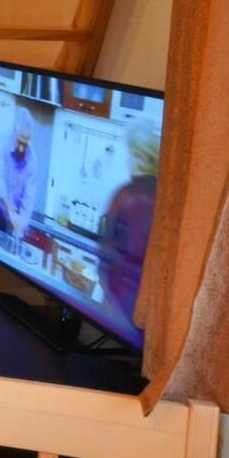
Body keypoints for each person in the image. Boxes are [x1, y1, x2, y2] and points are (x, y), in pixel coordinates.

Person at [97, 123, 160, 321]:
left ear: (138, 155)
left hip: (119, 299)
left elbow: (105, 249)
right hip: (148, 305)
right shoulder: (166, 199)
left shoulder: (124, 195)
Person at [0, 107, 39, 236]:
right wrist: (9, 210)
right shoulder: (4, 141)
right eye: (19, 142)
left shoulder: (32, 159)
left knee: (12, 242)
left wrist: (21, 225)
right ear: (14, 133)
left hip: (14, 212)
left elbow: (29, 196)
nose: (21, 149)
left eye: (25, 144)